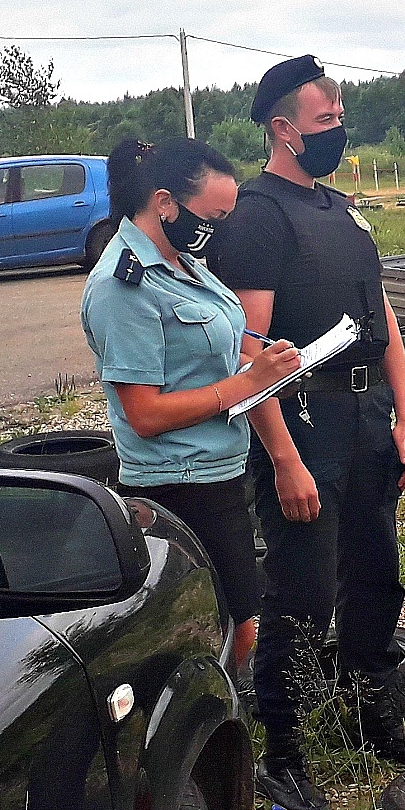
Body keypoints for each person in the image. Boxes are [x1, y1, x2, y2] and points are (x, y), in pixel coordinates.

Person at [208, 56, 405, 810]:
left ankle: (374, 718)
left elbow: (384, 318)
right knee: (299, 596)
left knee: (375, 576)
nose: (337, 132)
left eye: (338, 120)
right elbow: (246, 351)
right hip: (303, 421)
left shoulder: (342, 212)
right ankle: (285, 759)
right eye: (324, 122)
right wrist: (283, 456)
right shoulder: (257, 217)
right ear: (281, 128)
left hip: (367, 420)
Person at [80, 137, 301, 681]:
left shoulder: (183, 263)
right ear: (165, 203)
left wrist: (266, 358)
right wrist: (245, 383)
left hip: (219, 472)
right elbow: (145, 415)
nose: (220, 229)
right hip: (178, 484)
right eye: (213, 216)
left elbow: (222, 341)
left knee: (236, 621)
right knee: (227, 631)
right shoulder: (124, 287)